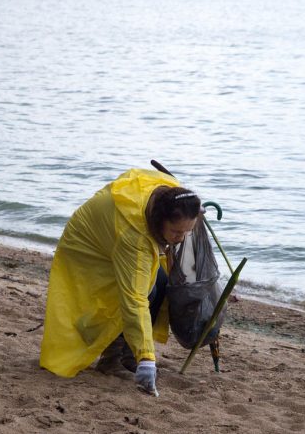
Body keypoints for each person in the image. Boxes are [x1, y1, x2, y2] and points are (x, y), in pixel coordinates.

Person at [39, 168, 202, 396]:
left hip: (110, 233)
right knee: (142, 292)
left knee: (161, 281)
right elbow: (134, 299)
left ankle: (129, 356)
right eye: (176, 231)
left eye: (187, 230)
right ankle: (112, 360)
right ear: (160, 219)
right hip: (87, 249)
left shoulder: (168, 190)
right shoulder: (134, 236)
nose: (181, 237)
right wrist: (147, 357)